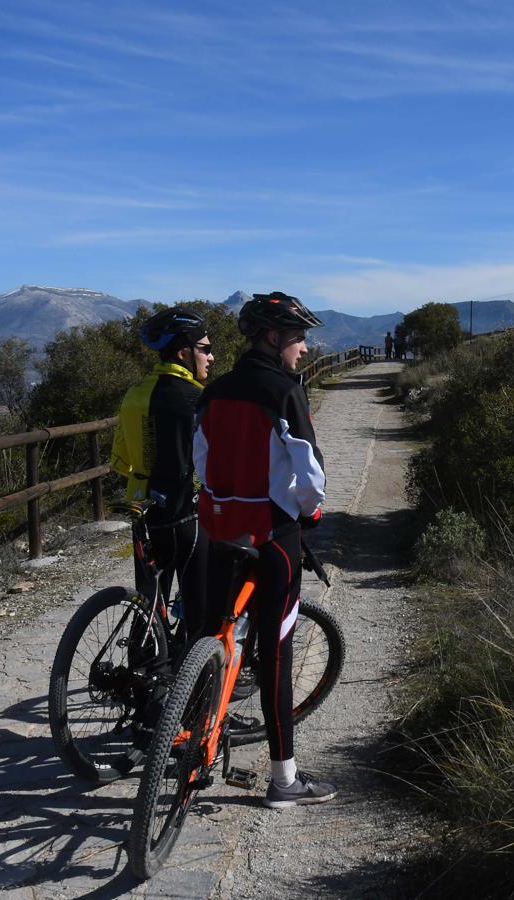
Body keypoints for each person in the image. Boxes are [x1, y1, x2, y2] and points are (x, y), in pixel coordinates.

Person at [193, 290, 335, 808]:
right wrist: (308, 511)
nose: (302, 348)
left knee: (209, 633)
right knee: (275, 655)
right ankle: (284, 781)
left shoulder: (214, 391)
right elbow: (310, 474)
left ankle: (192, 741)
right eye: (298, 338)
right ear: (273, 338)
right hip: (272, 537)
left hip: (218, 530)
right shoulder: (284, 392)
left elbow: (202, 460)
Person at [110, 306, 212, 640]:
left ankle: (143, 673)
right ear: (184, 352)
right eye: (205, 349)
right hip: (186, 511)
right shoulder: (199, 398)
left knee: (148, 600)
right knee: (199, 603)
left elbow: (119, 460)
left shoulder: (134, 395)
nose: (210, 357)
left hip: (144, 508)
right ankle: (194, 684)